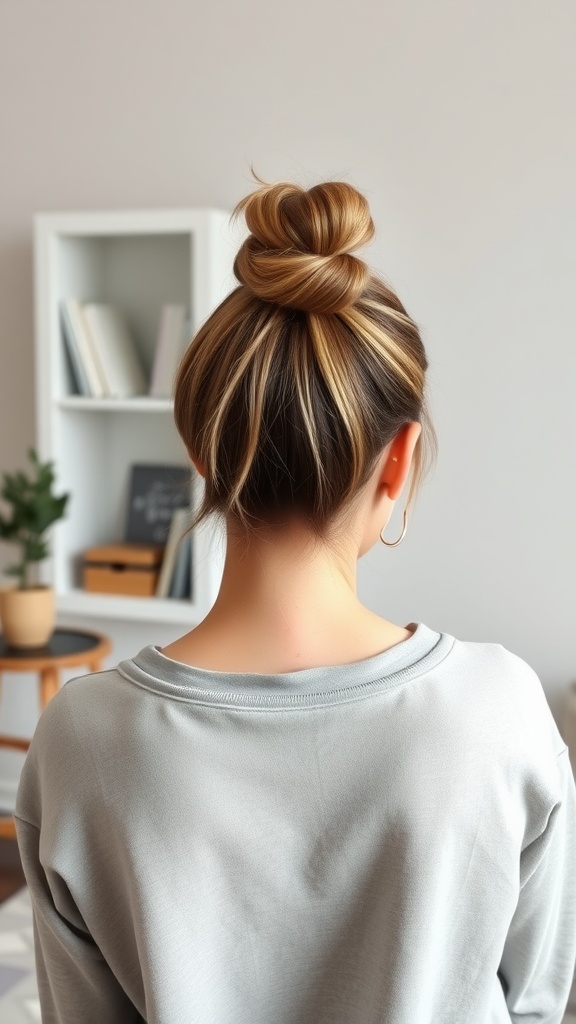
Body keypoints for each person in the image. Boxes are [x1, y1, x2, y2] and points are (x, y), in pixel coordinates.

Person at [15, 179, 576, 1024]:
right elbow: (537, 1005)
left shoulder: (79, 738)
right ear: (399, 461)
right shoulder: (500, 711)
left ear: (200, 449)